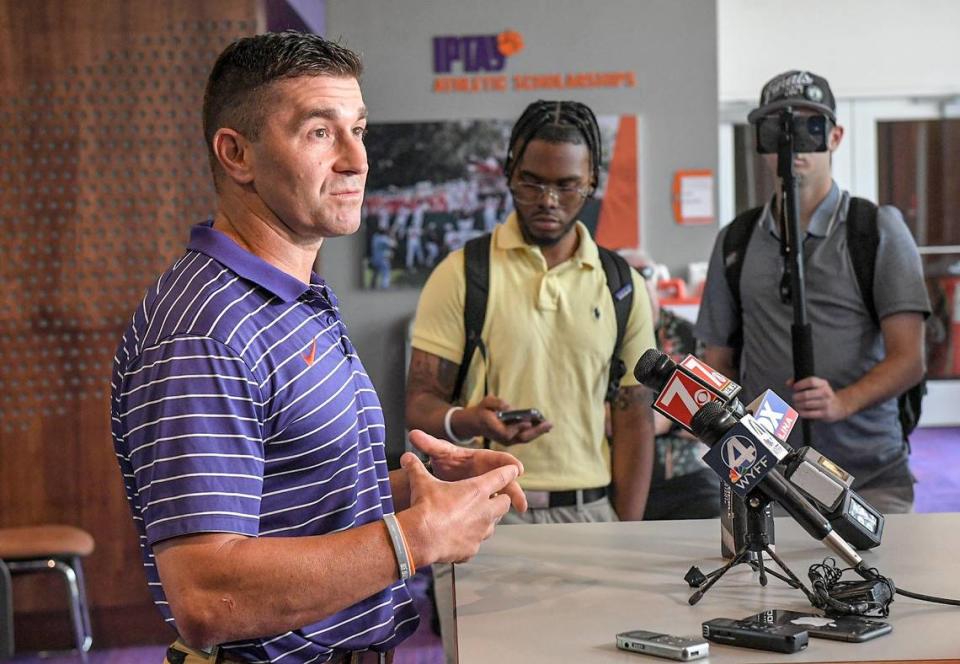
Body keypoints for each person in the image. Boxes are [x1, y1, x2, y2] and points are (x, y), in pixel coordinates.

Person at [110, 32, 528, 664]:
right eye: (319, 132)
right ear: (237, 154)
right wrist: (418, 536)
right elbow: (206, 593)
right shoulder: (204, 332)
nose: (358, 160)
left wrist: (415, 490)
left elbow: (285, 498)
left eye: (359, 129)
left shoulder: (293, 298)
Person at [406, 100, 657, 525]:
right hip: (485, 506)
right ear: (509, 174)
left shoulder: (621, 285)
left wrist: (627, 530)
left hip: (590, 513)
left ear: (592, 182)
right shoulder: (463, 273)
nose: (548, 200)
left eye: (567, 185)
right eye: (531, 183)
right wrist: (469, 419)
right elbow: (419, 403)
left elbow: (635, 418)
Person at [695, 70, 930, 514]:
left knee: (876, 578)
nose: (793, 145)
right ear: (760, 142)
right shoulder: (736, 241)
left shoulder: (876, 230)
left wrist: (843, 401)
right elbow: (717, 358)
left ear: (835, 136)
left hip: (869, 474)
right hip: (769, 475)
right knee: (760, 586)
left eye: (810, 128)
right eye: (777, 131)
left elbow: (909, 357)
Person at [626, 255, 721, 520]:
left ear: (655, 292)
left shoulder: (688, 335)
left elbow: (722, 412)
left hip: (687, 479)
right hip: (620, 478)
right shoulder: (605, 335)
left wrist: (669, 422)